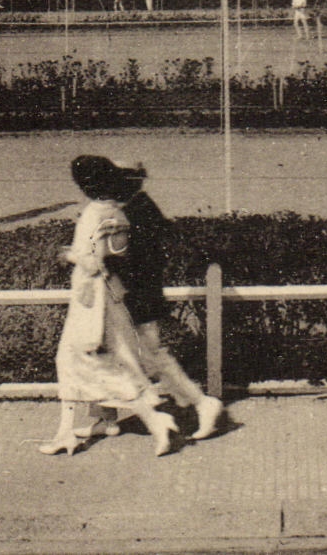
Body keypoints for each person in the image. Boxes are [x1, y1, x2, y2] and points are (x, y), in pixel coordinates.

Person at [40, 156, 180, 457]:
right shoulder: (118, 212)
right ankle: (106, 421)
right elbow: (117, 253)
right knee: (117, 361)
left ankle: (154, 421)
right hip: (114, 296)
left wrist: (69, 255)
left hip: (91, 301)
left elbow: (92, 262)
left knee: (70, 361)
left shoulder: (93, 214)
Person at [77, 162, 224, 443]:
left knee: (152, 355)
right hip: (132, 294)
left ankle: (202, 403)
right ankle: (104, 419)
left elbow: (128, 260)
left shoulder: (136, 211)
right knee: (108, 352)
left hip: (137, 297)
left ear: (131, 181)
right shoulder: (134, 207)